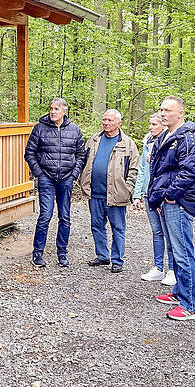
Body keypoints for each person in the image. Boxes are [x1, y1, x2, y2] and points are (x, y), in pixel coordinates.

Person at [149, 96, 195, 321]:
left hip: (179, 201)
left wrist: (171, 196)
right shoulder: (166, 135)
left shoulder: (189, 138)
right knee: (174, 250)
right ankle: (179, 293)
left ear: (181, 113)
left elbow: (190, 172)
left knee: (183, 252)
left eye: (168, 110)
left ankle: (191, 306)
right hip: (166, 199)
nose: (163, 113)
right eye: (162, 109)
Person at [24, 98, 86, 268]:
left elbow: (81, 154)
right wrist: (39, 173)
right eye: (51, 108)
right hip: (46, 178)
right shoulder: (40, 128)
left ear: (64, 111)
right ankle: (38, 253)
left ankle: (62, 252)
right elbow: (29, 153)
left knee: (65, 217)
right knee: (45, 215)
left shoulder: (74, 130)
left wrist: (74, 174)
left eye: (57, 109)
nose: (53, 112)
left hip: (66, 179)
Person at [78, 109, 139, 273]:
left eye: (110, 120)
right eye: (104, 119)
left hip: (117, 194)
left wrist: (128, 189)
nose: (106, 123)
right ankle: (102, 255)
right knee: (96, 226)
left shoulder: (127, 144)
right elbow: (83, 160)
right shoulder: (94, 140)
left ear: (119, 123)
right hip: (95, 192)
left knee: (117, 228)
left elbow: (134, 170)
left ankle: (117, 260)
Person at [134, 112, 176, 285]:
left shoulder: (171, 144)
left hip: (162, 194)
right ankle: (158, 268)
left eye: (154, 124)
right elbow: (142, 169)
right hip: (148, 193)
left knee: (170, 233)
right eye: (150, 124)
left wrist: (161, 197)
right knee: (156, 232)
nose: (150, 128)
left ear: (163, 126)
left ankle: (173, 270)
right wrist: (138, 194)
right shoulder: (148, 143)